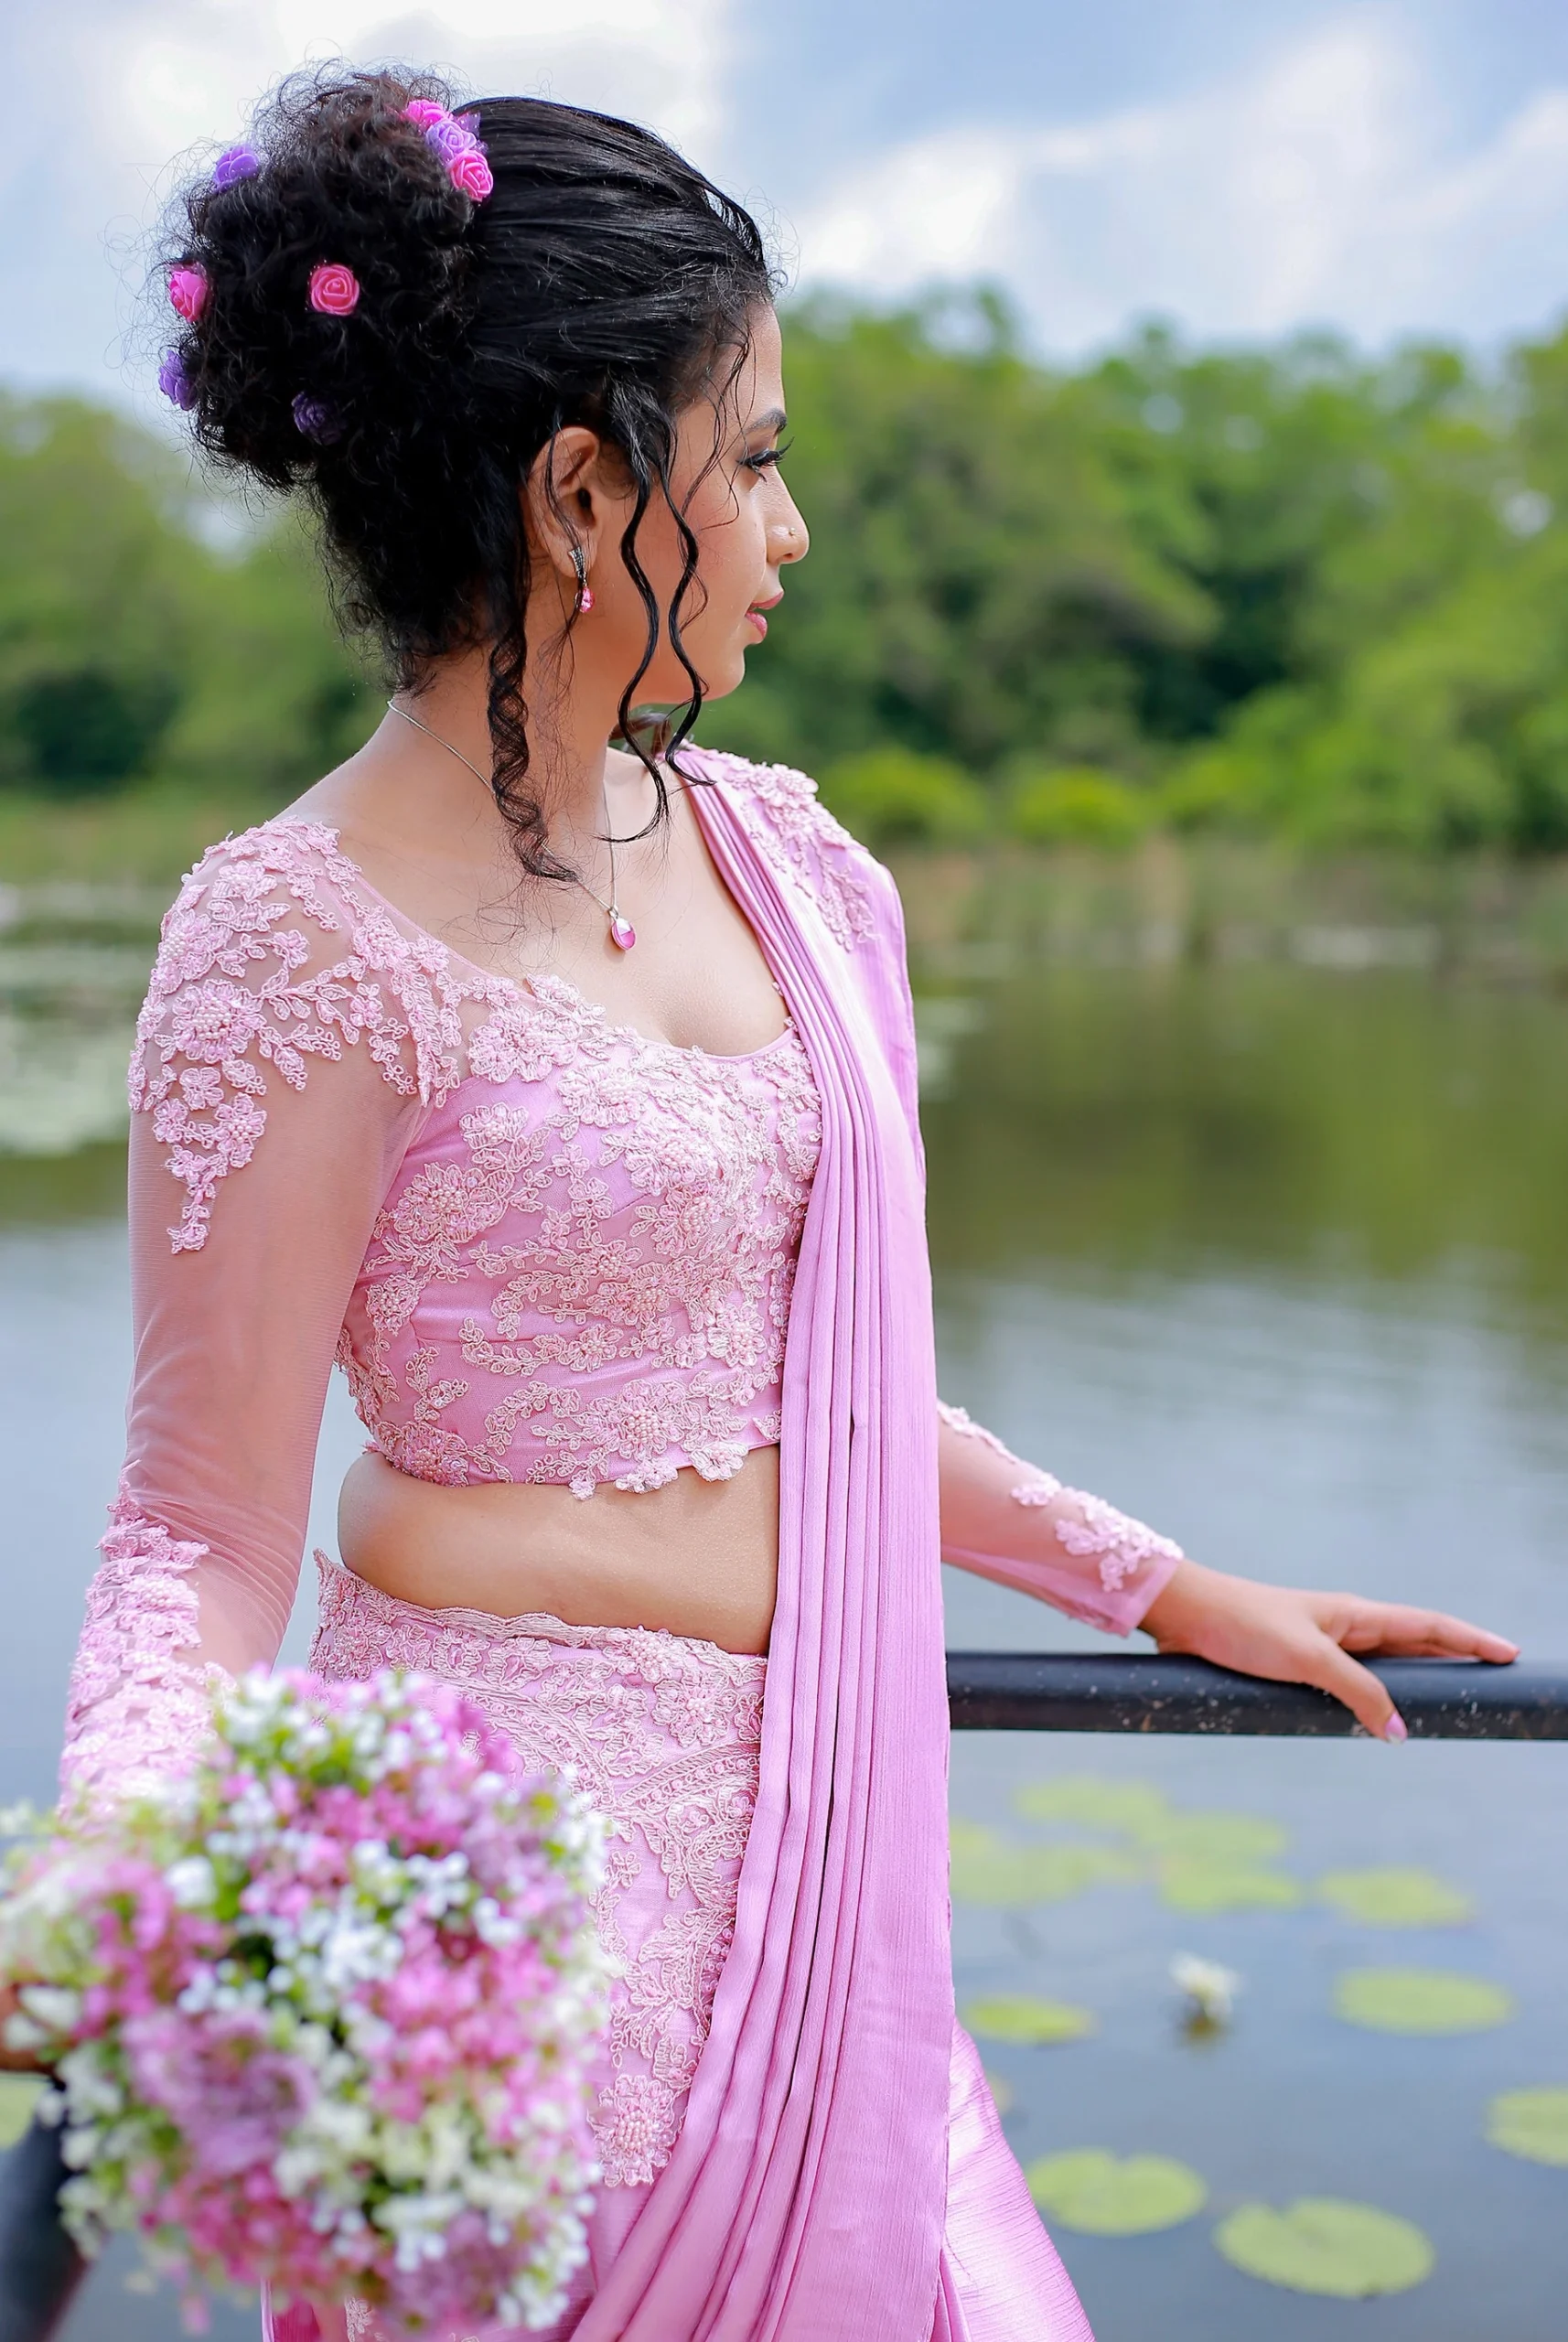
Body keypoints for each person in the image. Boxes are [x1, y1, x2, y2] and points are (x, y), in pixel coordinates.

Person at [40, 69, 1517, 2342]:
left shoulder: (803, 867)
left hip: (833, 1899)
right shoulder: (292, 941)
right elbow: (198, 1532)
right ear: (578, 491)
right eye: (751, 456)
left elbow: (821, 1397)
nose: (786, 527)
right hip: (501, 1949)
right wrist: (127, 1869)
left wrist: (1150, 1577)